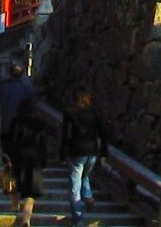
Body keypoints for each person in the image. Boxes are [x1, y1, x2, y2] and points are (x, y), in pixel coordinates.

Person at [60, 89, 110, 226]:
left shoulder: (69, 113)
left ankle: (78, 218)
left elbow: (65, 135)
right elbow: (104, 134)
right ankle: (88, 196)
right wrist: (104, 153)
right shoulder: (95, 113)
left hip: (76, 151)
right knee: (85, 176)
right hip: (92, 152)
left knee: (75, 186)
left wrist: (62, 155)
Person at [7, 94, 50, 227]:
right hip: (35, 160)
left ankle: (15, 207)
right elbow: (43, 145)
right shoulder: (40, 124)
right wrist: (44, 163)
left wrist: (8, 159)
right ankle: (26, 219)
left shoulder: (16, 122)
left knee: (16, 185)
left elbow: (11, 142)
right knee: (30, 193)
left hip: (19, 158)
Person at [0, 61, 35, 167]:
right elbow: (32, 106)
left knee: (6, 149)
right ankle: (16, 171)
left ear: (9, 73)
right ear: (22, 74)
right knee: (18, 148)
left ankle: (7, 171)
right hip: (21, 124)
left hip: (5, 123)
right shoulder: (27, 88)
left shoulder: (3, 86)